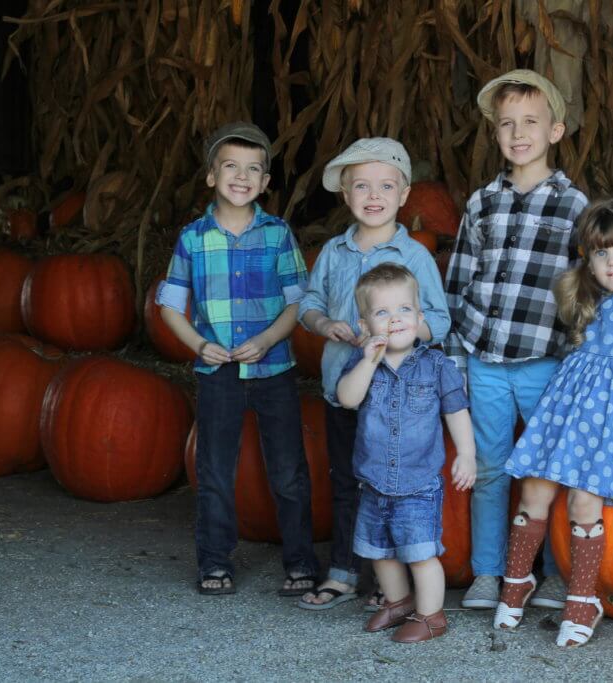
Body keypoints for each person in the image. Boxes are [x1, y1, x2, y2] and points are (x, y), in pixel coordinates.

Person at [493, 198, 613, 647]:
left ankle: (583, 598)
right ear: (589, 260)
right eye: (601, 253)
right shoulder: (590, 298)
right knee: (534, 491)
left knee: (583, 503)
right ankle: (517, 581)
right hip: (569, 407)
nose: (612, 262)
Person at [445, 69, 589, 610]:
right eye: (507, 124)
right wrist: (457, 354)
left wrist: (578, 359)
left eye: (531, 122)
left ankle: (550, 575)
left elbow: (584, 291)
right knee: (488, 469)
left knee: (548, 470)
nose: (518, 132)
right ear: (496, 134)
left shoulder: (575, 206)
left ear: (556, 130)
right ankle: (489, 574)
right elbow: (460, 279)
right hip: (484, 358)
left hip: (545, 361)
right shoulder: (482, 203)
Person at [157, 122, 318, 597]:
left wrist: (268, 338)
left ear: (265, 183)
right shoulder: (193, 238)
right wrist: (197, 344)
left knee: (289, 471)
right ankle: (214, 563)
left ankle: (301, 563)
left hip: (273, 370)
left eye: (254, 170)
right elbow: (169, 304)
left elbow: (299, 303)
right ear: (211, 176)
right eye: (231, 166)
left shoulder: (277, 234)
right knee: (214, 471)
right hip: (217, 371)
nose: (242, 176)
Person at [297, 138, 452, 610]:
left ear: (404, 195)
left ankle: (392, 586)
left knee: (392, 486)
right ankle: (344, 573)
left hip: (398, 401)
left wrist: (405, 327)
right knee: (347, 482)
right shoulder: (334, 253)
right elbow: (308, 304)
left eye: (386, 185)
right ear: (346, 195)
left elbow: (440, 321)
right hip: (344, 389)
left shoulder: (417, 258)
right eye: (361, 185)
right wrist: (325, 324)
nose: (373, 195)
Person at [335, 263, 476, 642]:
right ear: (365, 324)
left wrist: (466, 454)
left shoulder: (436, 365)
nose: (395, 319)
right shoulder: (363, 363)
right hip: (374, 481)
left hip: (418, 482)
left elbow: (456, 411)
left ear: (420, 317)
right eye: (382, 312)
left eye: (403, 310)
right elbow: (347, 399)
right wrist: (368, 358)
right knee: (378, 550)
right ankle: (397, 602)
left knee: (419, 552)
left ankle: (431, 616)